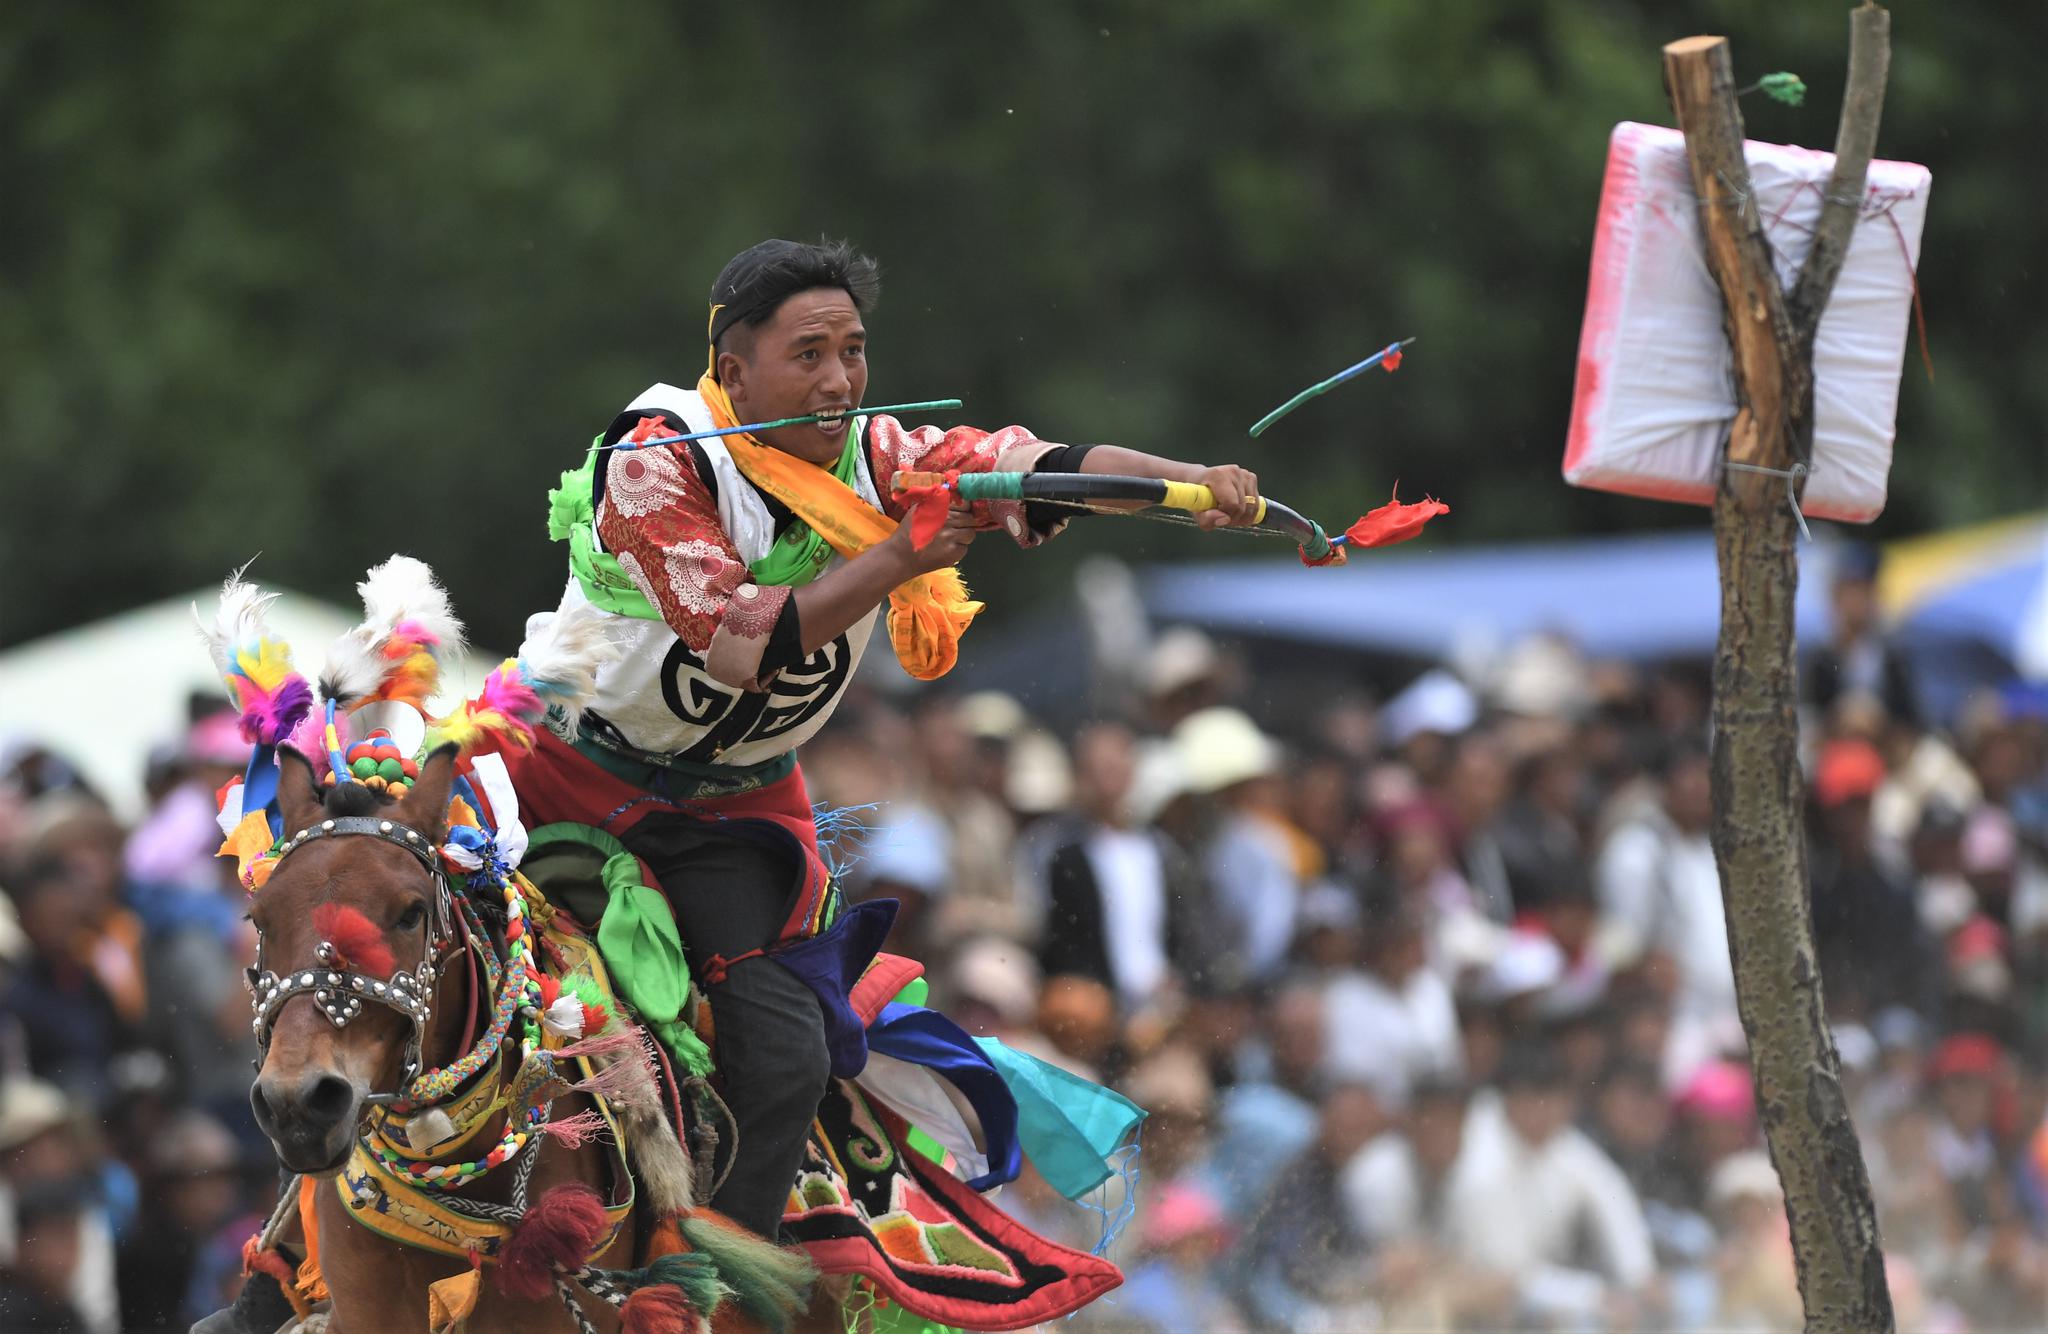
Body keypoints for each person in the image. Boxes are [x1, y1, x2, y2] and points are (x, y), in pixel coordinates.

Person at [499, 237, 1263, 1239]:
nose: (838, 379)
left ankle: (713, 1283)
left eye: (852, 351)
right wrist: (901, 552)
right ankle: (277, 1276)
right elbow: (739, 645)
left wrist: (1189, 483)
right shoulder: (657, 455)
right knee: (411, 974)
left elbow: (1042, 468)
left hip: (732, 811)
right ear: (734, 372)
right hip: (564, 772)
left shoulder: (886, 454)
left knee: (788, 1056)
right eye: (807, 355)